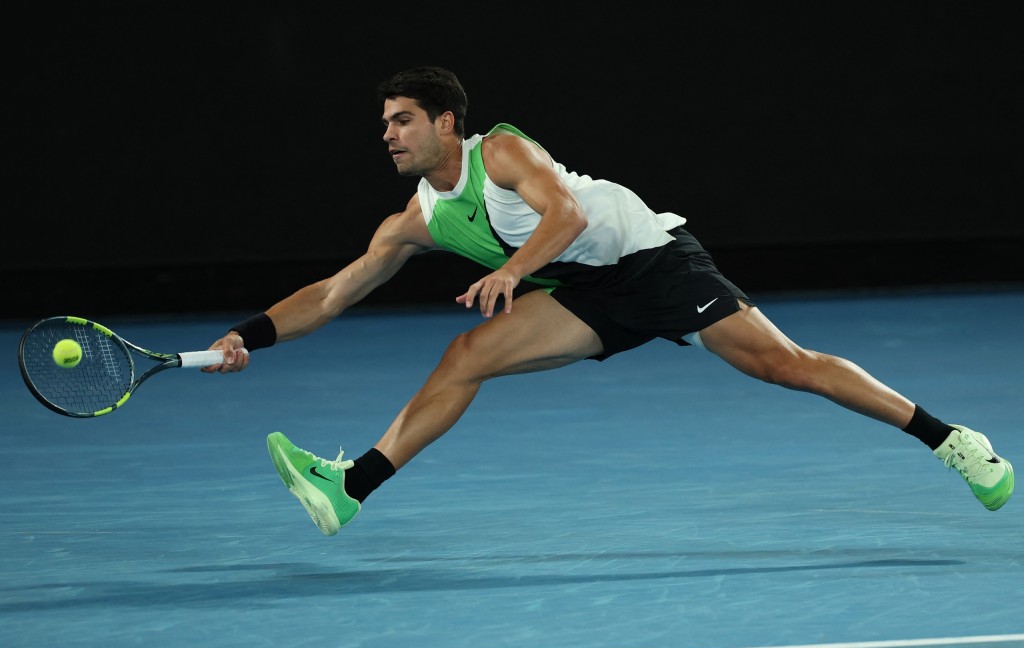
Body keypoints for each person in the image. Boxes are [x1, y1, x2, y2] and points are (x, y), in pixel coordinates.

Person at [203, 65, 1013, 535]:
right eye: (384, 124)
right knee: (466, 355)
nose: (389, 133)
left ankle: (951, 440)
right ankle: (354, 489)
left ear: (447, 123)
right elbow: (336, 291)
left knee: (786, 366)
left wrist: (514, 272)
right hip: (588, 293)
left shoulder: (505, 152)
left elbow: (569, 214)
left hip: (653, 262)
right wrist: (250, 334)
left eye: (404, 120)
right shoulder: (414, 219)